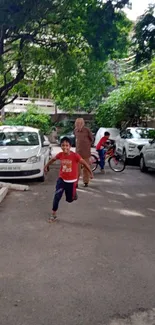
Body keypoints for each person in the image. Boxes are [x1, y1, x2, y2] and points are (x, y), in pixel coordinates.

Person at [44, 136, 93, 222]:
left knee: (69, 200)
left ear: (70, 146)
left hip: (71, 181)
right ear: (61, 146)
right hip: (61, 180)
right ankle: (53, 214)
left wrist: (90, 173)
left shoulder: (75, 156)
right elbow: (52, 159)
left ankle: (74, 194)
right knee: (57, 196)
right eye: (63, 145)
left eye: (67, 145)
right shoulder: (60, 155)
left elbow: (85, 163)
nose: (65, 147)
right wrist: (46, 166)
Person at [74, 118, 93, 187]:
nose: (78, 124)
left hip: (86, 152)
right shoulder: (75, 130)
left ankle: (86, 182)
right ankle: (76, 183)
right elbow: (76, 139)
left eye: (80, 123)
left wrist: (87, 145)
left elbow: (91, 138)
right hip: (78, 152)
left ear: (83, 124)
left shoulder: (87, 130)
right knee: (77, 169)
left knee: (86, 168)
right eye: (77, 123)